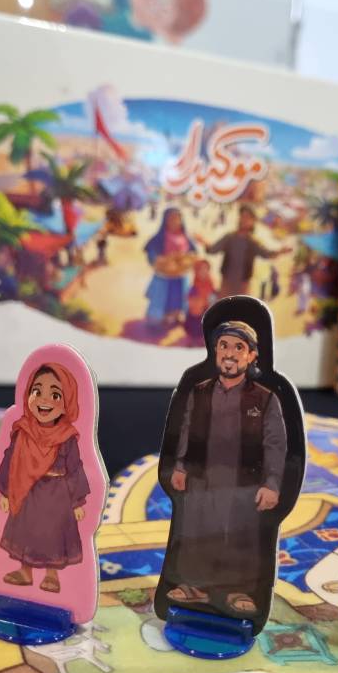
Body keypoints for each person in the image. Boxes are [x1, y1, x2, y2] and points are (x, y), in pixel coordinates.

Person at [164, 320, 287, 616]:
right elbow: (186, 430)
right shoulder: (199, 392)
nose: (230, 353)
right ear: (215, 351)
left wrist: (271, 483)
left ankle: (238, 590)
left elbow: (275, 444)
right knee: (197, 529)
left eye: (239, 347)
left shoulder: (265, 399)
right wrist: (180, 466)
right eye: (224, 346)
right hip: (203, 477)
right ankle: (195, 586)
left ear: (252, 355)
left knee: (240, 534)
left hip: (244, 481)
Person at [0, 363, 90, 592]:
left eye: (55, 395)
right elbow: (10, 460)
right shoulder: (22, 431)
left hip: (57, 496)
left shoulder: (67, 437)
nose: (44, 400)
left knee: (52, 535)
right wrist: (5, 491)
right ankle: (25, 571)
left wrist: (77, 501)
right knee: (26, 533)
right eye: (37, 391)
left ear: (68, 402)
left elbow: (75, 468)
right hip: (27, 491)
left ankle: (52, 574)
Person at [200, 205, 290, 297]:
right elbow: (213, 250)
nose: (243, 220)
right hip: (226, 283)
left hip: (243, 285)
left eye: (247, 217)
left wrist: (280, 252)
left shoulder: (253, 242)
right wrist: (204, 242)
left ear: (253, 221)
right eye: (242, 216)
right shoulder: (229, 237)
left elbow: (266, 254)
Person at [143, 207, 196, 326]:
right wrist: (159, 260)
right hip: (164, 277)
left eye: (178, 219)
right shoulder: (159, 237)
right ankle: (158, 318)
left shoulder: (186, 237)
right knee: (162, 298)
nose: (175, 222)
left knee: (178, 298)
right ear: (165, 220)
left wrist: (187, 259)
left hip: (180, 276)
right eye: (171, 219)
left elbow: (193, 253)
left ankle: (175, 316)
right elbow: (151, 254)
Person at [184, 258, 216, 340]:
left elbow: (213, 299)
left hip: (207, 312)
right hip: (196, 316)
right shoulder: (194, 288)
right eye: (200, 270)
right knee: (196, 329)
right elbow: (191, 304)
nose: (203, 272)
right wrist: (201, 303)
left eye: (206, 269)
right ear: (196, 272)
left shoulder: (211, 284)